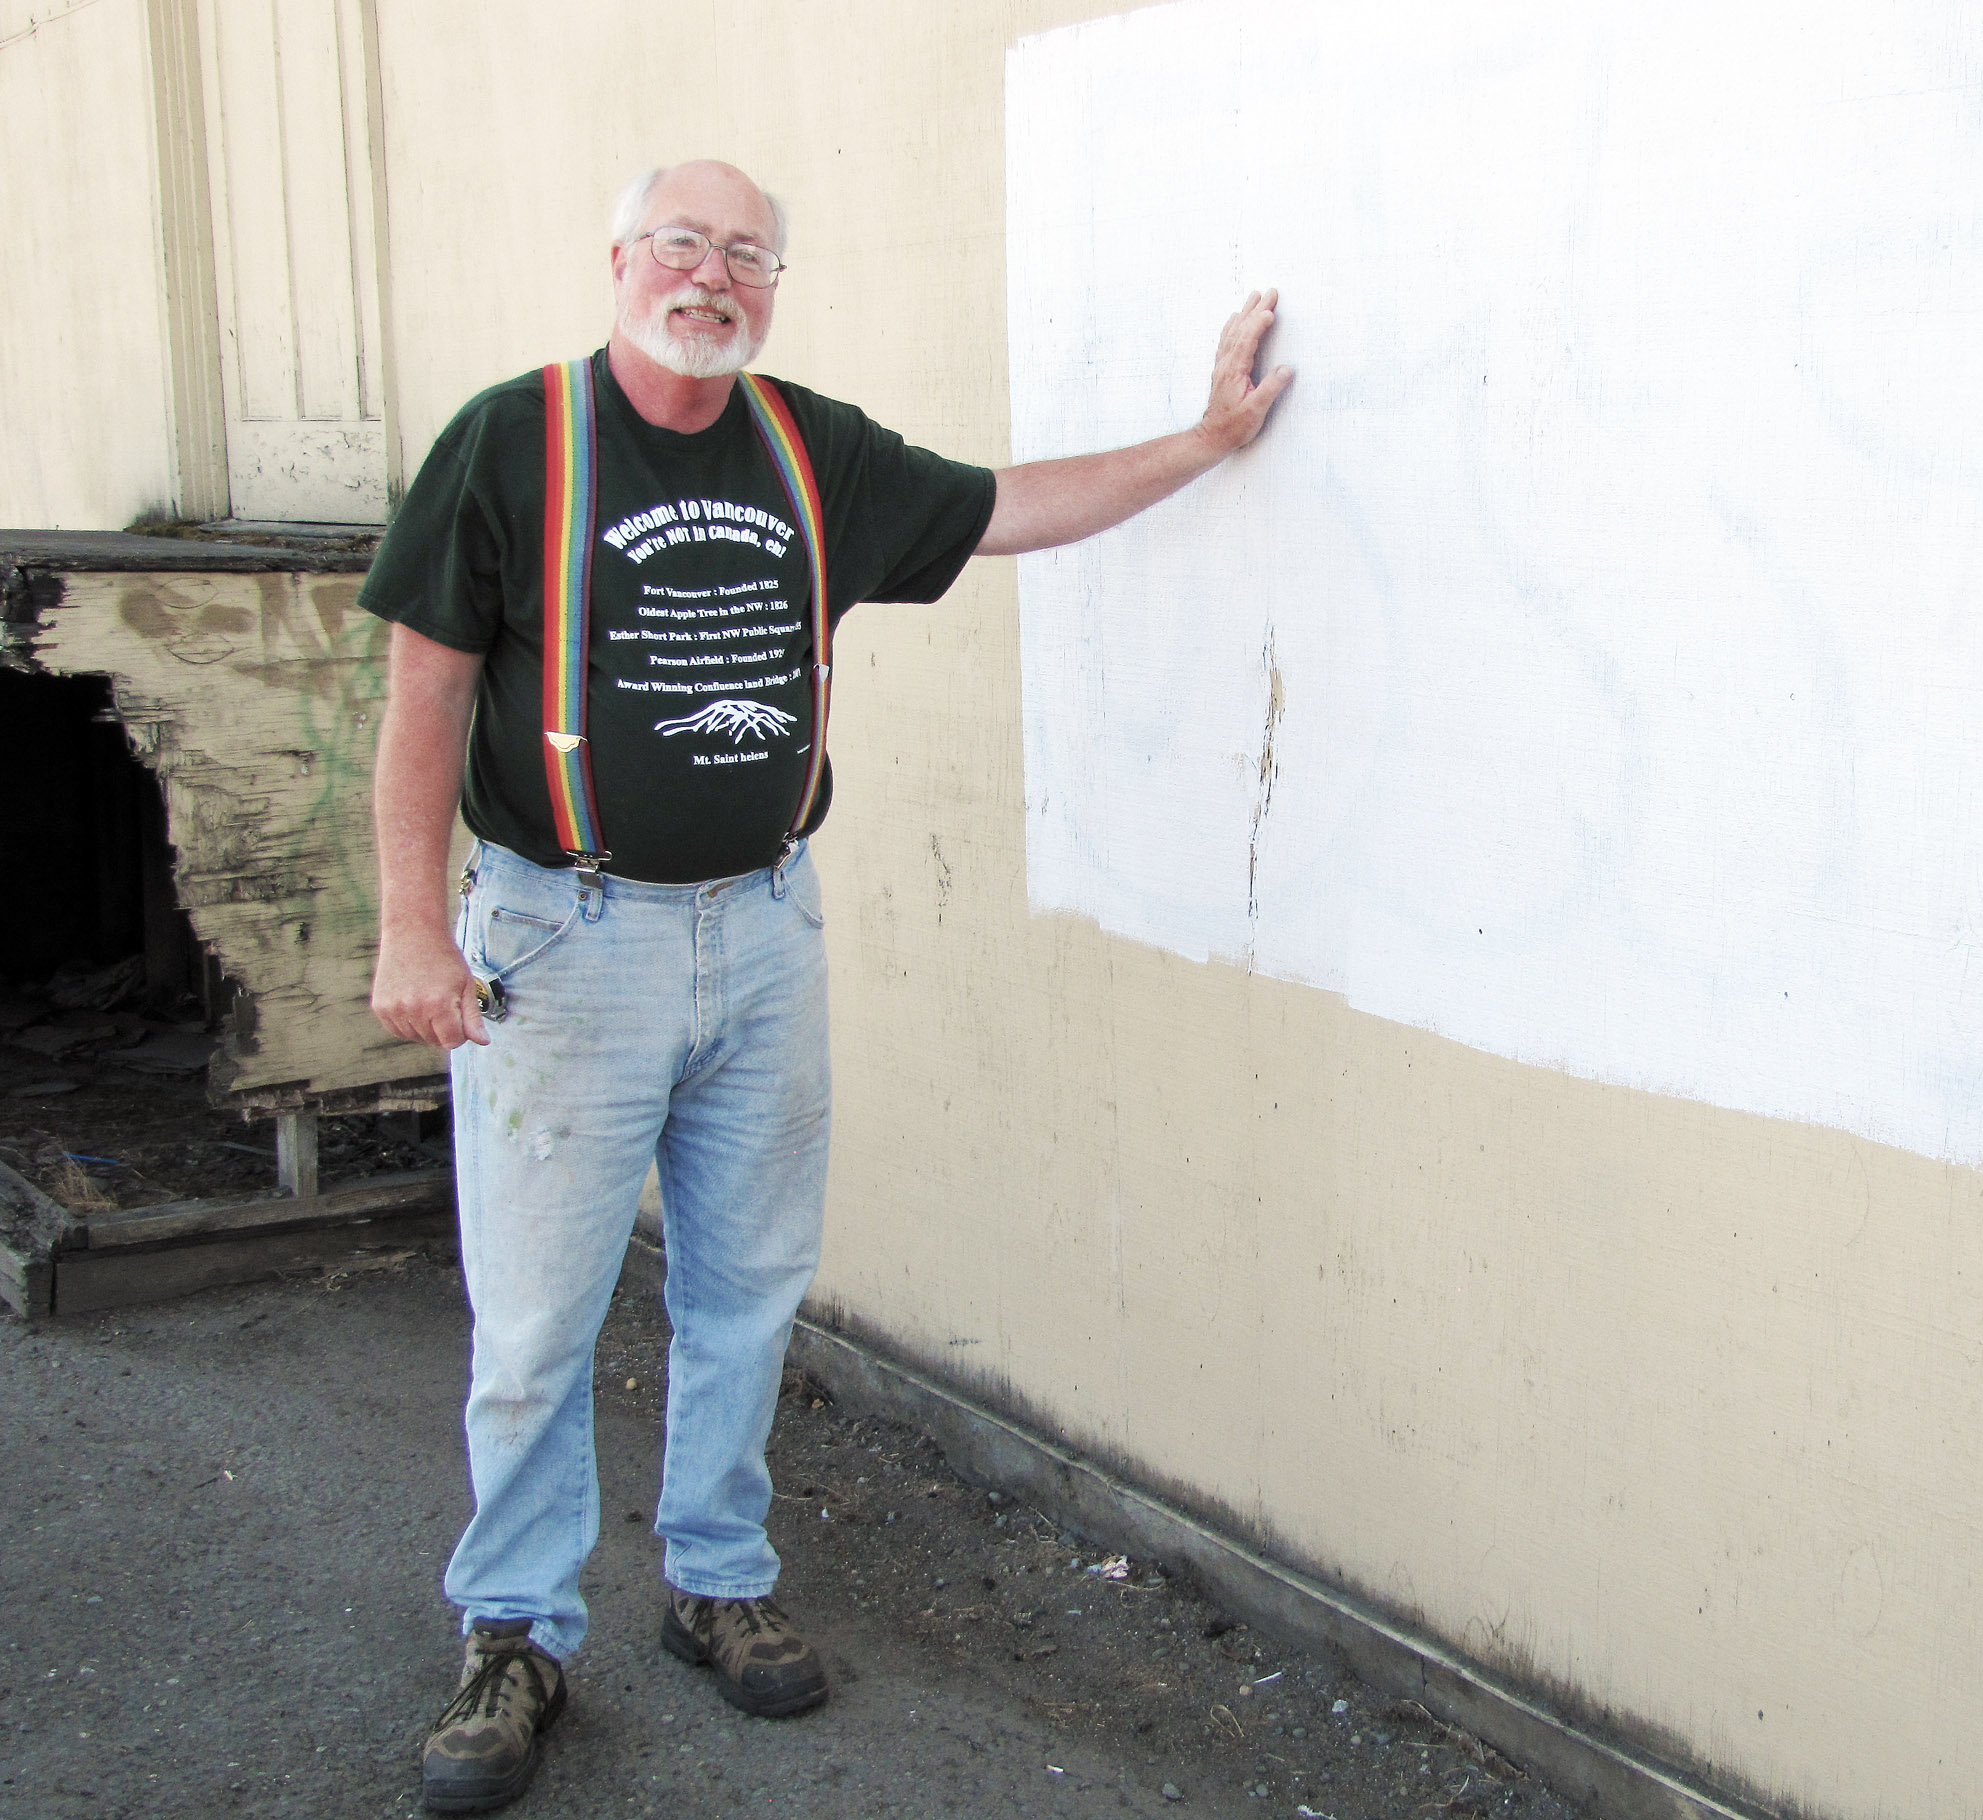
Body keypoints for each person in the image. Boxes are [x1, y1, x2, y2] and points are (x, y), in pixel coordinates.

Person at [360, 157, 1291, 1815]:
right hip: (564, 940)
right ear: (620, 258)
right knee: (537, 1318)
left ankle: (716, 1579)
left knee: (747, 1284)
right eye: (681, 242)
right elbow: (425, 694)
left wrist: (1207, 442)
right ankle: (515, 1630)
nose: (711, 275)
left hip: (765, 930)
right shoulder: (514, 441)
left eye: (747, 253)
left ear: (773, 287)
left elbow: (1010, 506)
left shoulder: (810, 451)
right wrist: (409, 929)